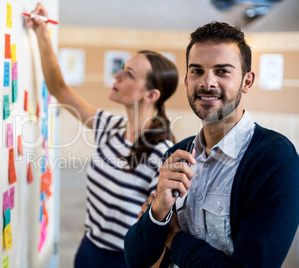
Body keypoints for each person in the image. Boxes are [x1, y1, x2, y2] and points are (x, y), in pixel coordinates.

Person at [124, 21, 299, 267]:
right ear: (186, 80)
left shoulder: (275, 159)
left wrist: (175, 239)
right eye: (196, 71)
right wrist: (158, 212)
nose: (207, 82)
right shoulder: (178, 153)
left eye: (222, 71)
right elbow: (135, 260)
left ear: (247, 82)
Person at [27, 3, 179, 267]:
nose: (117, 75)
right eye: (122, 68)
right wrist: (42, 33)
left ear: (151, 95)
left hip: (126, 260)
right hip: (88, 250)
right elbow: (59, 89)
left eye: (128, 74)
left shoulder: (162, 154)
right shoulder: (110, 126)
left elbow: (163, 234)